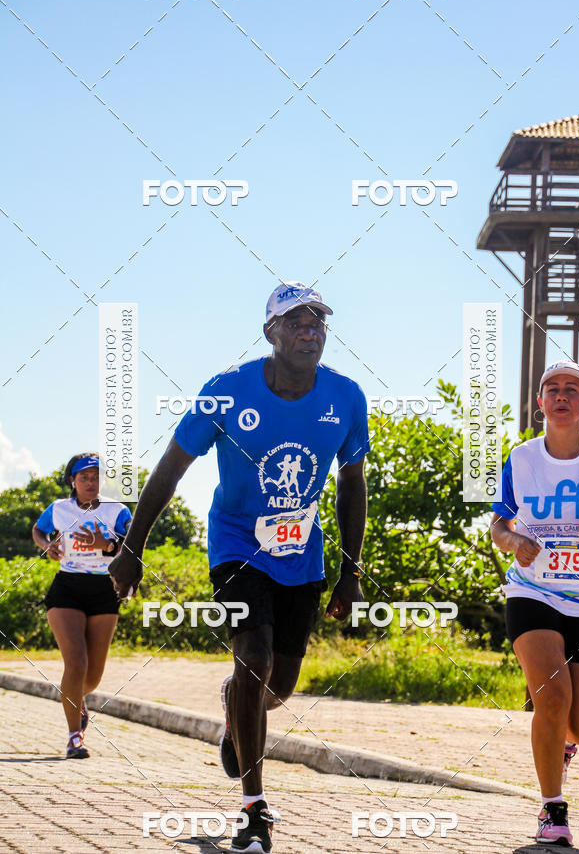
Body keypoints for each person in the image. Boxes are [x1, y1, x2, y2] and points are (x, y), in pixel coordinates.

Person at [109, 282, 369, 854]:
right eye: (296, 322)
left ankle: (235, 708)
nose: (310, 331)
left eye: (318, 322)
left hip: (302, 554)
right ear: (269, 331)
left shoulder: (347, 398)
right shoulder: (226, 392)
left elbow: (352, 484)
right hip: (235, 545)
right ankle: (254, 809)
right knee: (253, 656)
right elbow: (170, 469)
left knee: (278, 686)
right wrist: (132, 548)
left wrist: (351, 570)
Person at [490, 361, 579, 847]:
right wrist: (513, 542)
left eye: (571, 390)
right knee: (552, 698)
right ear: (540, 402)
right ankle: (552, 810)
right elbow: (498, 526)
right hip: (534, 591)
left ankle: (566, 741)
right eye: (552, 389)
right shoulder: (521, 458)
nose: (561, 397)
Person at [32, 454, 132, 759]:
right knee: (75, 662)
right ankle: (75, 737)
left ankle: (79, 699)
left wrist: (108, 546)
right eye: (84, 477)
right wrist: (46, 544)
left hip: (104, 589)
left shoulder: (117, 511)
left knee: (92, 676)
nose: (91, 482)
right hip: (67, 588)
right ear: (72, 481)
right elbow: (38, 530)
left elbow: (134, 544)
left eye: (96, 477)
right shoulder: (59, 509)